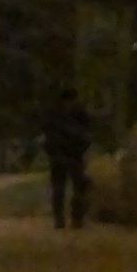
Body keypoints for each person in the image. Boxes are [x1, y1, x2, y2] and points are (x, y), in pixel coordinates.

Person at [40, 88, 93, 229]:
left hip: (73, 155)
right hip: (61, 156)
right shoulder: (55, 116)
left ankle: (76, 218)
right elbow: (49, 136)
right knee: (59, 189)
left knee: (77, 190)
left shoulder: (77, 115)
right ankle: (60, 219)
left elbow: (86, 134)